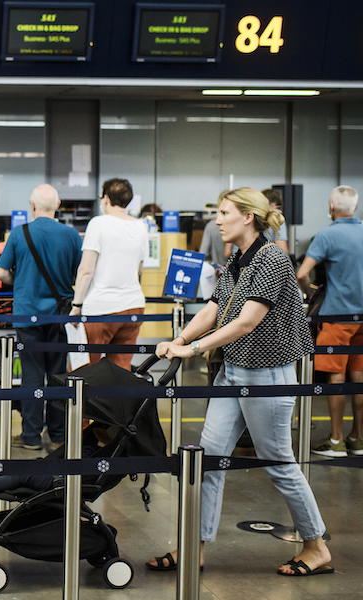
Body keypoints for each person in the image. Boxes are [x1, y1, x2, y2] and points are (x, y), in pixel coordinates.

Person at [150, 188, 330, 577]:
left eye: (224, 213)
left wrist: (192, 349)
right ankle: (194, 547)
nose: (217, 220)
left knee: (279, 463)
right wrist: (179, 340)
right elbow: (215, 308)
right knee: (208, 460)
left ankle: (316, 546)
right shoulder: (238, 258)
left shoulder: (272, 259)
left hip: (268, 375)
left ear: (248, 216)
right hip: (232, 371)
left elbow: (247, 321)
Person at [0, 184, 82, 452]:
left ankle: (31, 436)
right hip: (59, 316)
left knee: (32, 376)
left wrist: (21, 280)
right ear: (58, 206)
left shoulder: (19, 233)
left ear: (32, 206)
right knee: (57, 375)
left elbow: (0, 273)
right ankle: (57, 435)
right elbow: (81, 273)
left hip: (27, 315)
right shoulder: (71, 235)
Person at [296, 185, 363, 457]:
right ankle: (358, 438)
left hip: (337, 316)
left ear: (331, 207)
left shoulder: (327, 235)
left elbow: (302, 273)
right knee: (359, 375)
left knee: (337, 375)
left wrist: (311, 291)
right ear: (355, 207)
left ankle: (336, 440)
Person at [69, 178, 148, 370]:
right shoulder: (140, 226)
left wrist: (77, 305)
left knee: (86, 369)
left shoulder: (98, 223)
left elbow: (86, 270)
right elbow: (139, 269)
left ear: (105, 198)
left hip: (101, 307)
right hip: (133, 305)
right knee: (120, 370)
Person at [261, 188, 291, 254]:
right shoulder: (277, 219)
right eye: (277, 207)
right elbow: (282, 250)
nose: (279, 211)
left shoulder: (249, 218)